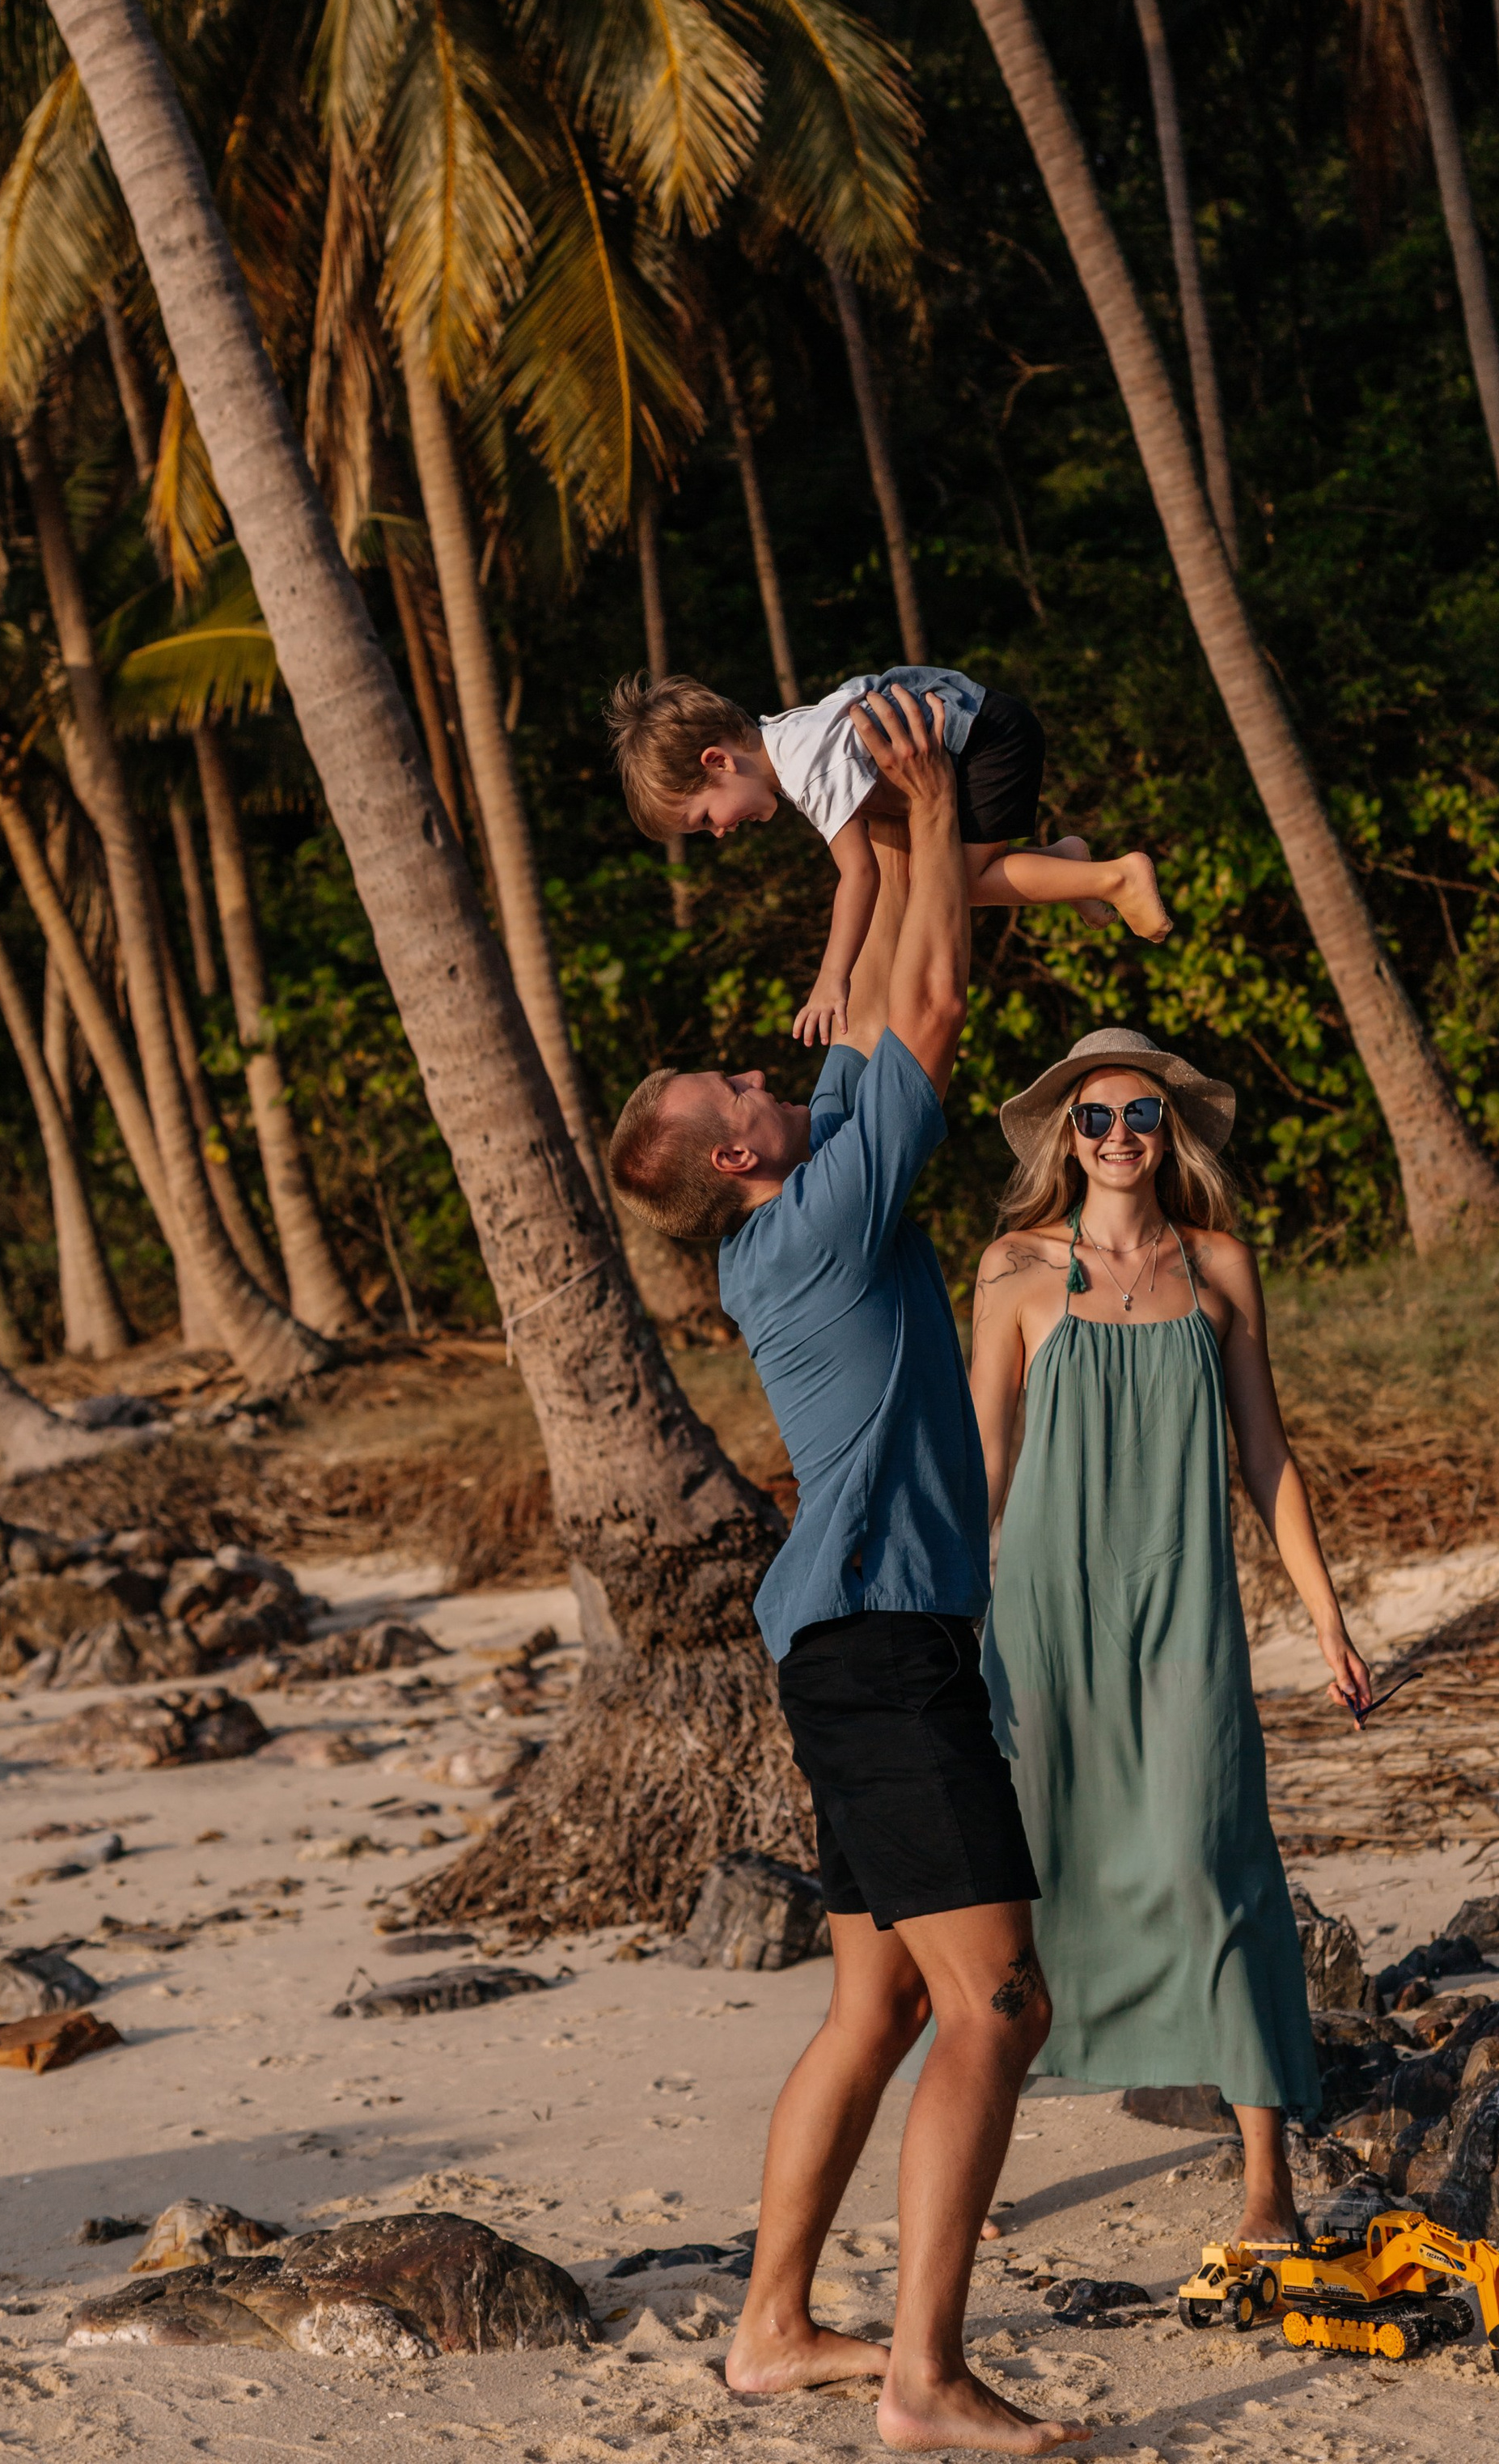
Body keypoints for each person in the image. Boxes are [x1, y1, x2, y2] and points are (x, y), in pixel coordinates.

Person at [608, 685, 1087, 2457]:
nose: (764, 1070)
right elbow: (938, 1004)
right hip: (880, 1653)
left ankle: (765, 2330)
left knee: (878, 1992)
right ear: (733, 1158)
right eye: (736, 1084)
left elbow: (882, 987)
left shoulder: (789, 1211)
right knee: (994, 2003)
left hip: (847, 1644)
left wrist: (885, 843)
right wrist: (937, 801)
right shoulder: (815, 1215)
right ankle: (921, 2378)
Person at [968, 1027, 1374, 2246]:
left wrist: (1329, 1617)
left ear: (1170, 1128)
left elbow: (1269, 1456)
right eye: (1093, 1119)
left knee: (1217, 1866)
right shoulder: (1011, 1270)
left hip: (1188, 1611)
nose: (1118, 1137)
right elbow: (984, 1458)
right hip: (1043, 1617)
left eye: (1140, 1114)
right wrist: (941, 1612)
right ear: (1065, 1137)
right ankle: (971, 2165)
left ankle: (1267, 2188)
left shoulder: (1222, 1269)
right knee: (1024, 1886)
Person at [605, 664, 1172, 1046]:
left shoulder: (807, 767)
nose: (721, 834)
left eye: (706, 820)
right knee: (945, 873)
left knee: (960, 885)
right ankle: (1067, 863)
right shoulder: (785, 735)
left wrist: (833, 980)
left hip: (986, 740)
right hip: (985, 725)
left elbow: (859, 875)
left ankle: (1116, 878)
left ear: (717, 762)